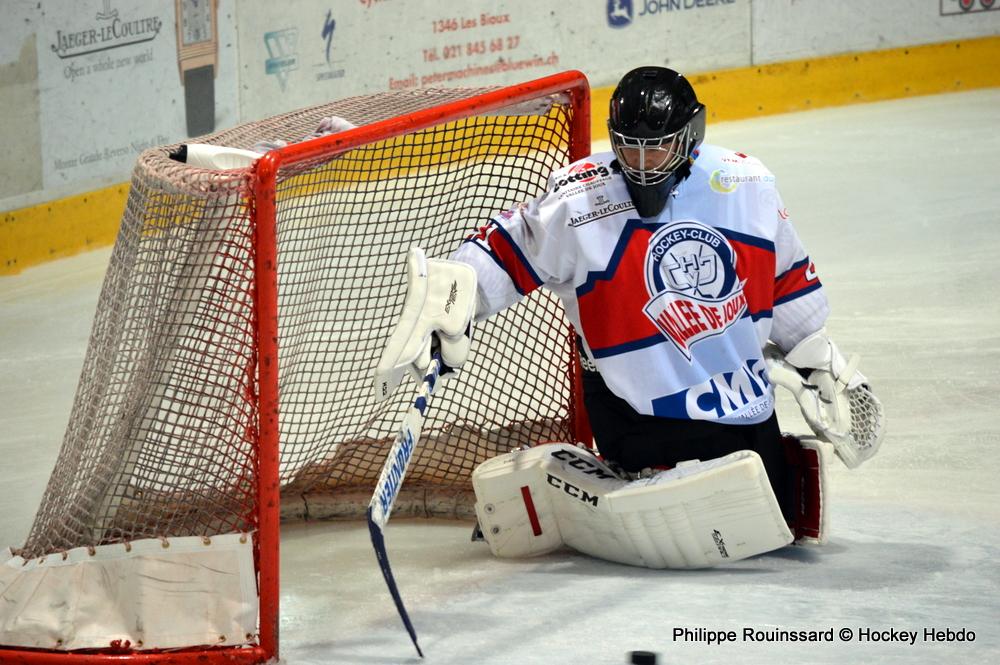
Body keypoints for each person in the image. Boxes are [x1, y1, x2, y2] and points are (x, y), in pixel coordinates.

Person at [376, 67, 884, 568]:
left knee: (770, 515)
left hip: (741, 405)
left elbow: (786, 279)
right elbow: (503, 252)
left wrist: (821, 361)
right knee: (713, 520)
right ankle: (605, 478)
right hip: (633, 409)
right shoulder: (579, 199)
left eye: (656, 148)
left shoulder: (746, 185)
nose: (641, 165)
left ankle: (594, 481)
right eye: (629, 148)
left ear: (691, 137)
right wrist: (452, 301)